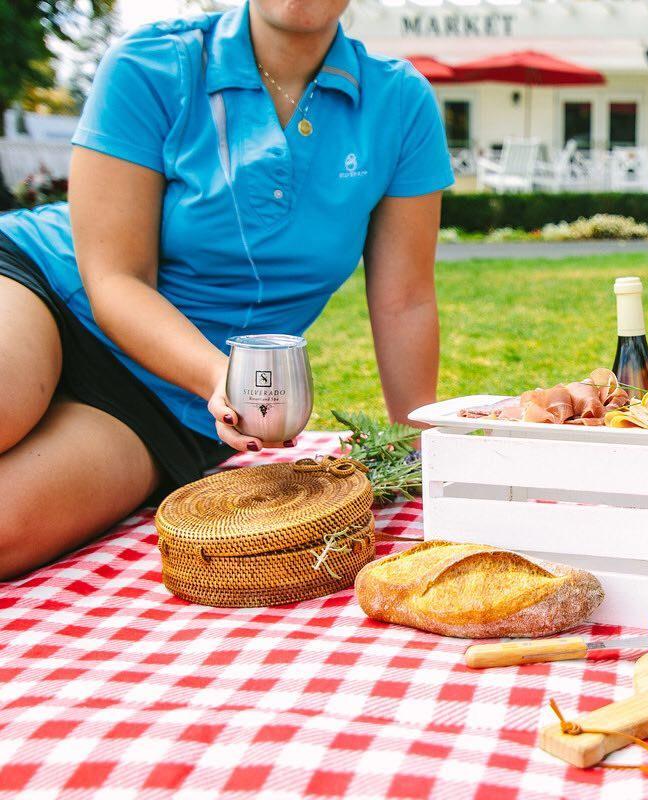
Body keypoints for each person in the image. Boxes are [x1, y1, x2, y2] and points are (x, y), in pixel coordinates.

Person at [0, 0, 452, 578]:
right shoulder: (152, 63)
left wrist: (417, 454)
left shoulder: (400, 102)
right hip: (48, 289)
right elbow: (115, 279)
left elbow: (404, 300)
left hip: (172, 406)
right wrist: (225, 378)